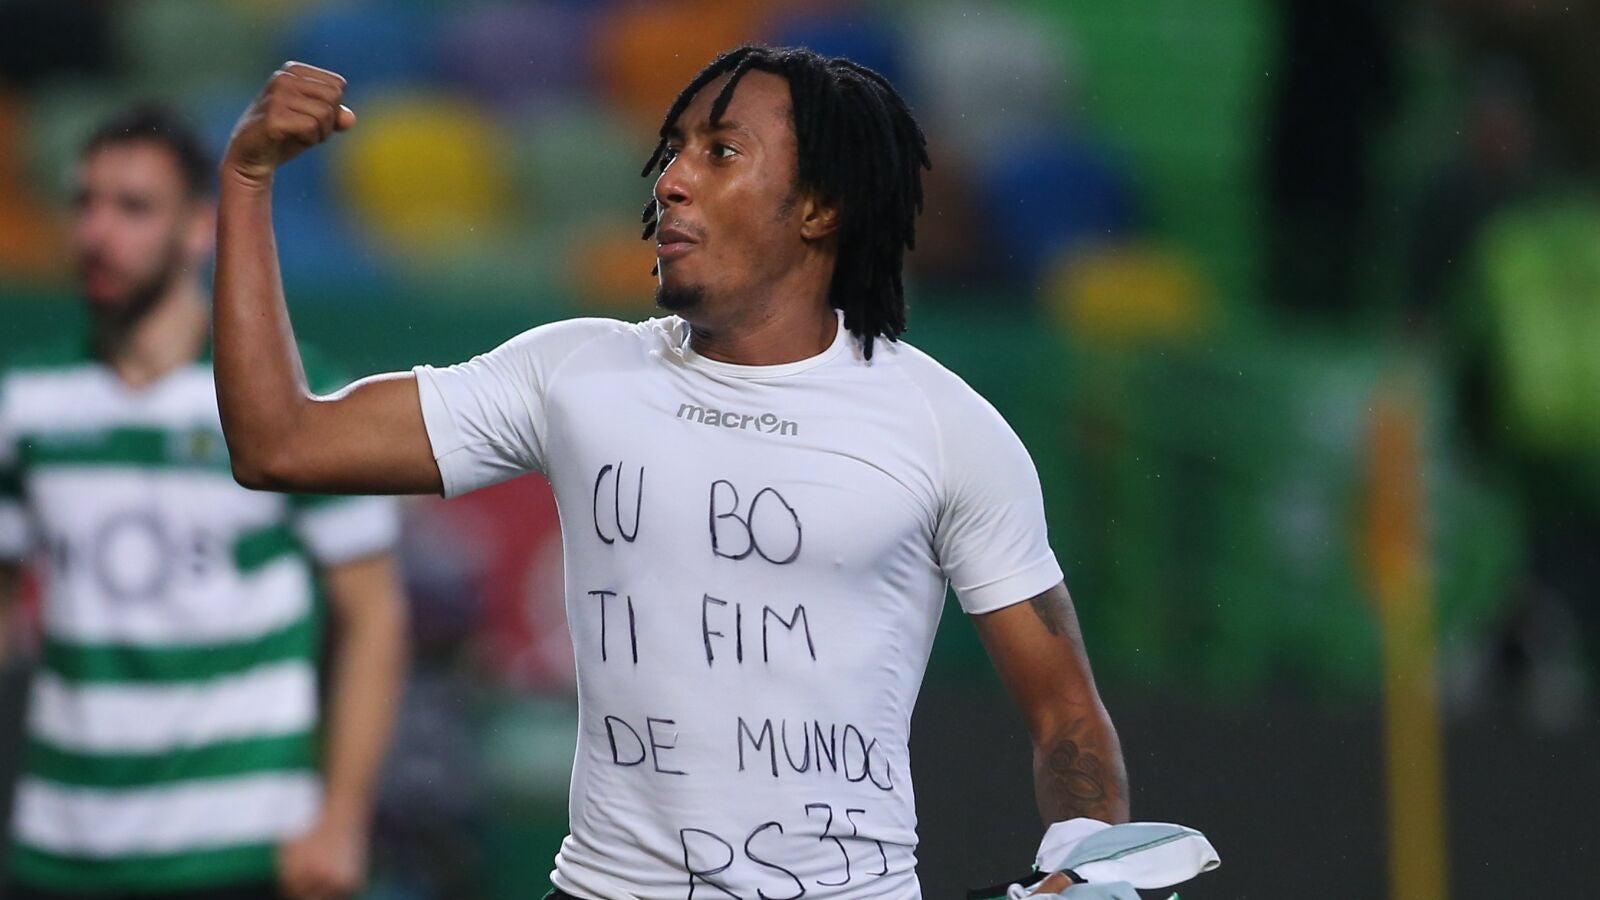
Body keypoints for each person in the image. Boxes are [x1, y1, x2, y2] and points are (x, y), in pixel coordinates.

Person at [214, 47, 1128, 899]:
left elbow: (1066, 715)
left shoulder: (945, 427)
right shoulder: (575, 373)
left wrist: (1083, 867)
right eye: (675, 151)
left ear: (820, 207)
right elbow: (279, 444)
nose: (672, 180)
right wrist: (248, 181)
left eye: (721, 152)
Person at [0, 107, 408, 900]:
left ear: (197, 229)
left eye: (132, 207)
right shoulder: (26, 403)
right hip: (57, 844)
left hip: (243, 849)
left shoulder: (293, 400)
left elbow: (374, 616)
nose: (97, 232)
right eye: (85, 203)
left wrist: (342, 817)